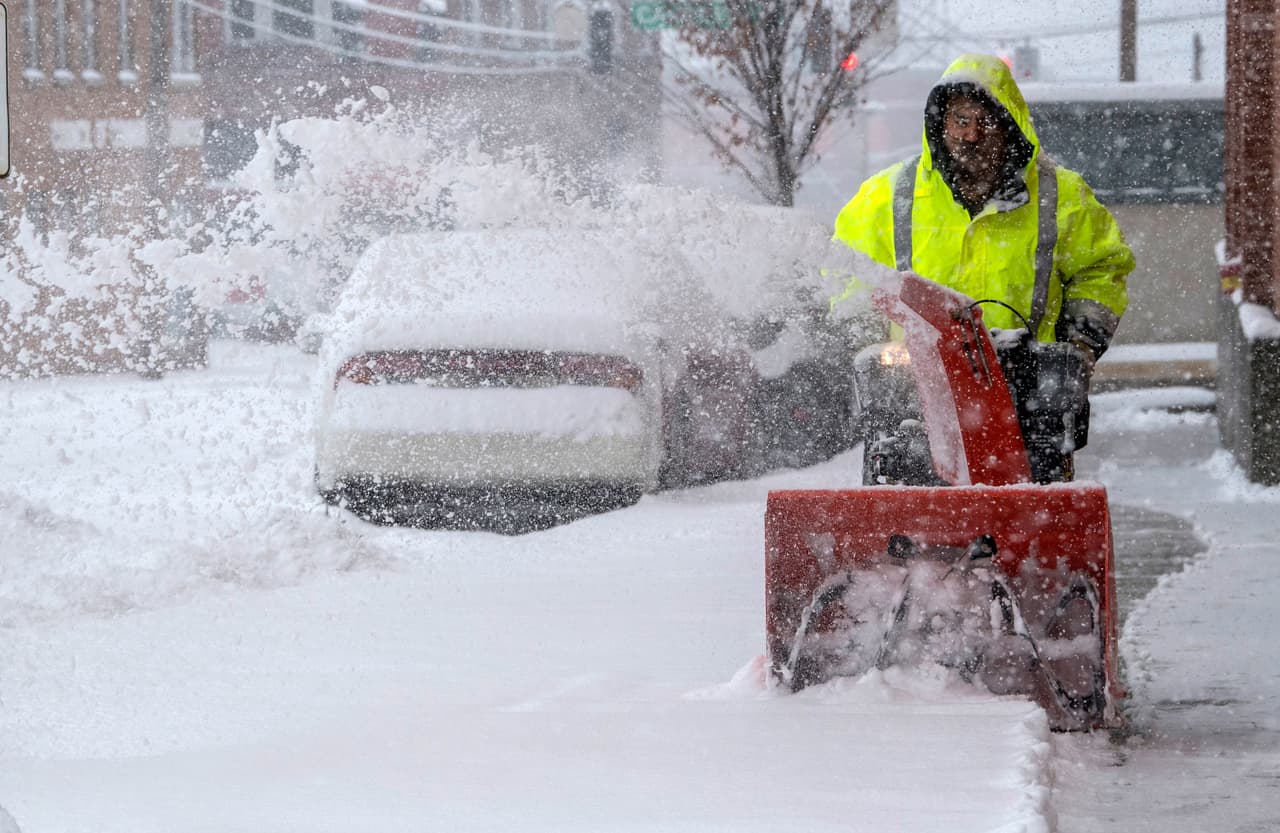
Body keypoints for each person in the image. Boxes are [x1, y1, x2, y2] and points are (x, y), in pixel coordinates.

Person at [833, 53, 1134, 366]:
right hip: (917, 391)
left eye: (986, 121)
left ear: (1008, 126)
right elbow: (848, 276)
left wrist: (1078, 345)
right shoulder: (887, 196)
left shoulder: (1062, 196)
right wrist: (867, 346)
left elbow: (1101, 270)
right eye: (961, 120)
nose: (972, 134)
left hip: (1031, 390)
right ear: (941, 123)